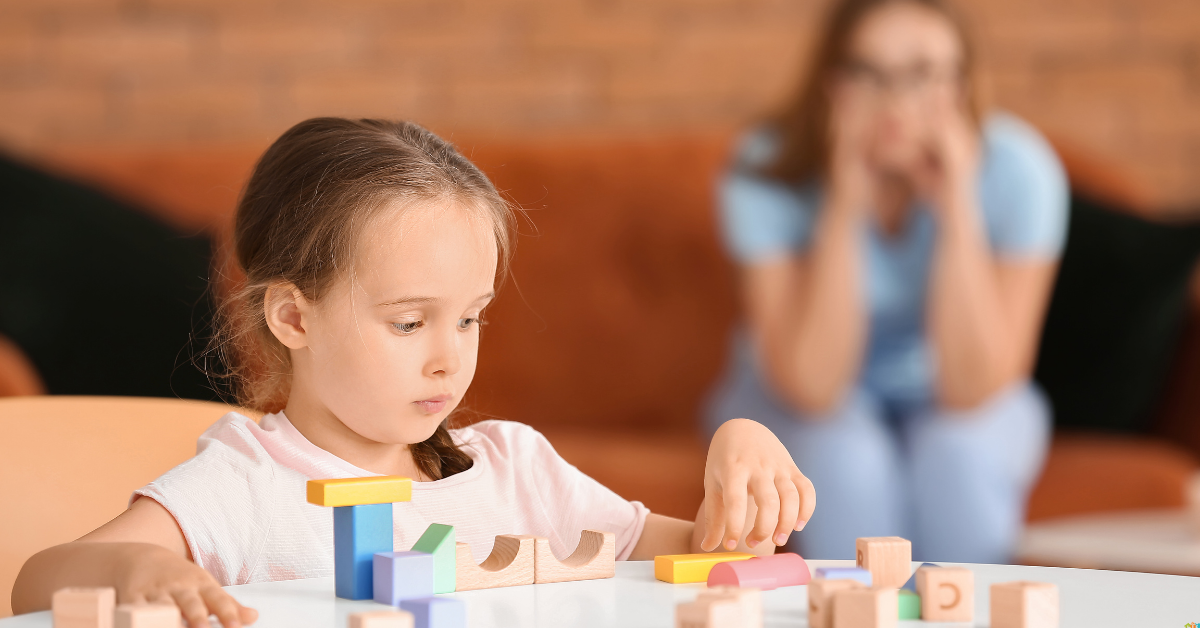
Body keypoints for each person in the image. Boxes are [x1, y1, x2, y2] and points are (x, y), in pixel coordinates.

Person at [12, 119, 816, 626]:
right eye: (409, 322)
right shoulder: (245, 485)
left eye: (470, 317)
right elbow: (38, 583)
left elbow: (711, 562)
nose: (449, 355)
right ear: (294, 318)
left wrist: (739, 446)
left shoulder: (515, 469)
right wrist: (142, 568)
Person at [706, 0, 1067, 564]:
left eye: (924, 73)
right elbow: (813, 386)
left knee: (961, 457)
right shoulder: (763, 166)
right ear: (832, 84)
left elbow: (975, 388)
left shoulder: (1022, 170)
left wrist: (957, 207)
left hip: (955, 396)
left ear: (963, 83)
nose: (897, 102)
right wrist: (844, 206)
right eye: (869, 75)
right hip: (796, 395)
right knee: (845, 459)